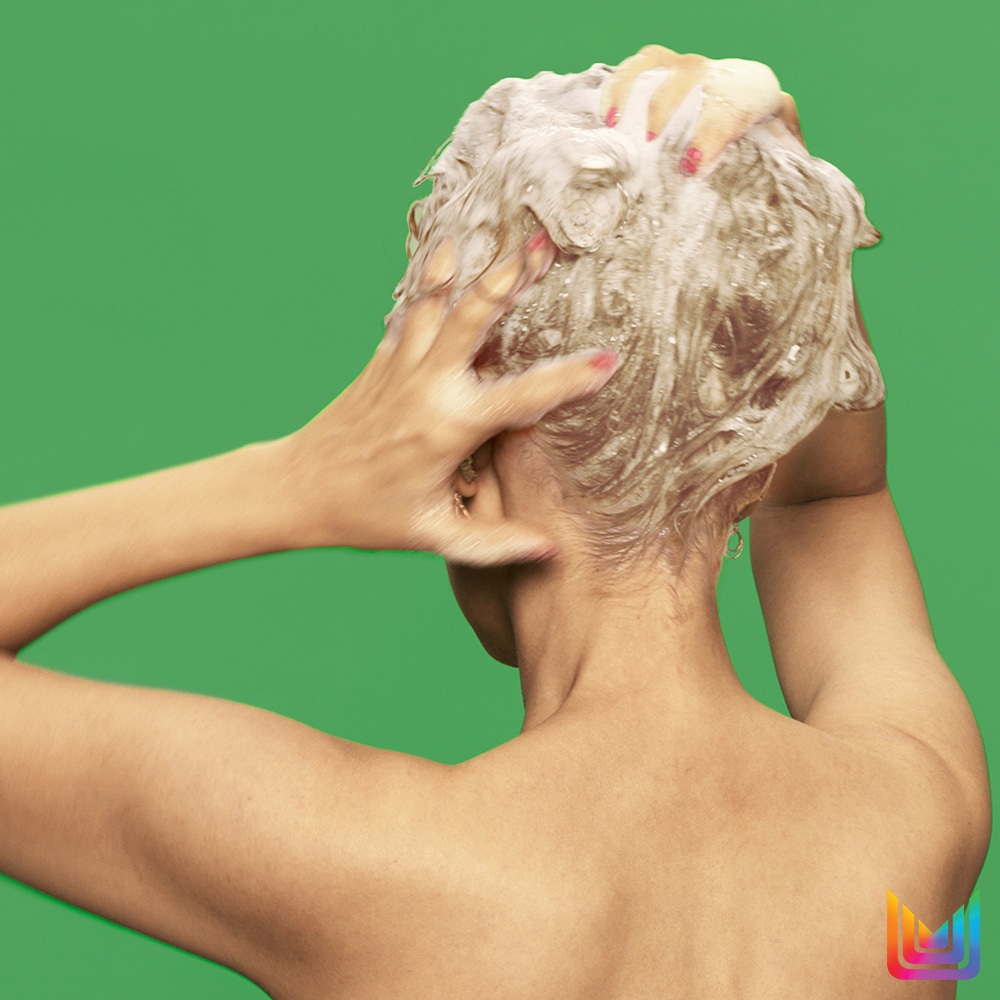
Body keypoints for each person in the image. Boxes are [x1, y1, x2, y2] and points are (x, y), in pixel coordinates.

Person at [0, 46, 989, 1000]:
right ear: (751, 458)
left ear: (463, 474)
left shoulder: (361, 868)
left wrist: (298, 478)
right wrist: (786, 216)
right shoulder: (915, 824)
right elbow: (836, 496)